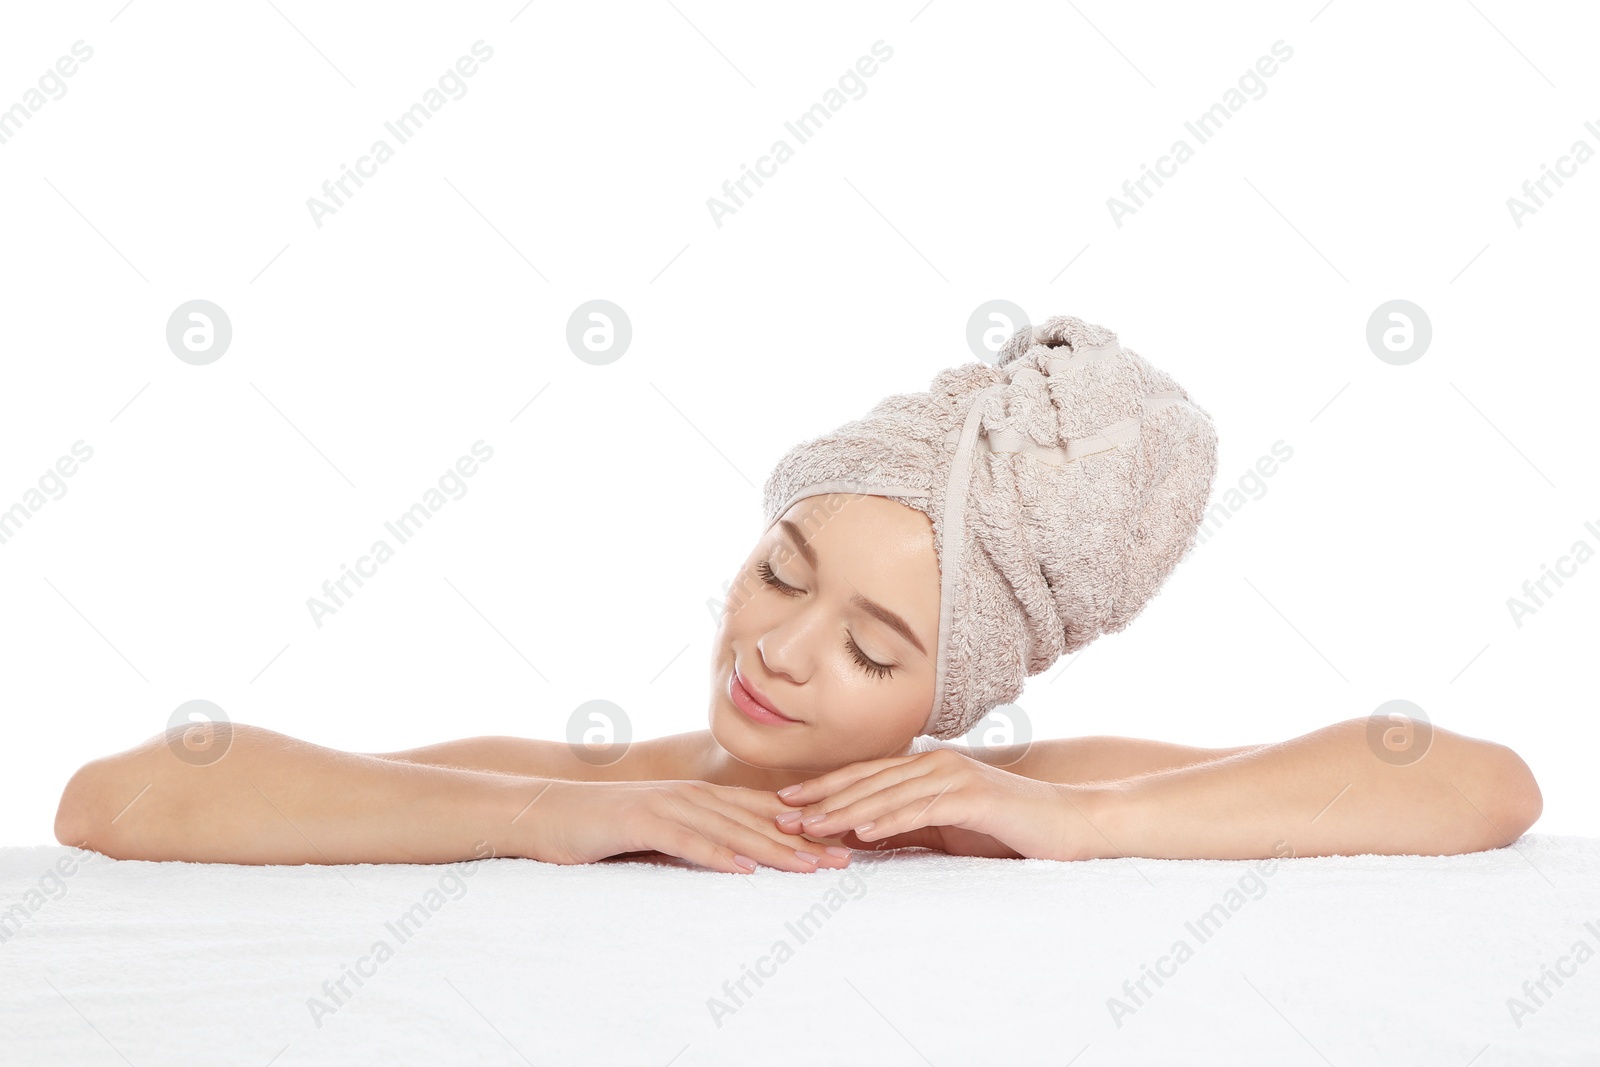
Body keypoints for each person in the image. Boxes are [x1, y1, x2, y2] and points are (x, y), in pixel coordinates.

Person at [52, 316, 1542, 875]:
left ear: (947, 697)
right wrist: (568, 816)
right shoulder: (618, 784)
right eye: (780, 570)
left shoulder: (999, 792)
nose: (779, 647)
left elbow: (1479, 787)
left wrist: (1077, 821)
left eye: (875, 646)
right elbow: (122, 800)